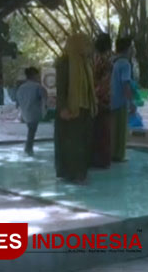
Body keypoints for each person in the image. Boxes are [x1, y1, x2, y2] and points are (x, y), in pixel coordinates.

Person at [54, 33, 97, 184]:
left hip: (84, 109)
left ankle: (80, 172)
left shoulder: (85, 63)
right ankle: (73, 173)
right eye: (85, 44)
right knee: (72, 143)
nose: (88, 47)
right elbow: (61, 88)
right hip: (70, 110)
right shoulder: (64, 62)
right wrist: (63, 108)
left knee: (83, 143)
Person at [110, 37, 135, 163]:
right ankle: (118, 155)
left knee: (112, 128)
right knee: (120, 129)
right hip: (120, 100)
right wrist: (131, 102)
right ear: (128, 48)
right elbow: (126, 84)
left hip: (110, 99)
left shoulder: (112, 61)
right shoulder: (125, 63)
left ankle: (111, 152)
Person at [91, 33, 112, 168]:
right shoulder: (105, 60)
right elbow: (104, 82)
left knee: (92, 129)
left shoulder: (90, 58)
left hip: (89, 97)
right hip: (102, 98)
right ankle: (101, 161)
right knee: (102, 131)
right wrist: (102, 98)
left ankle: (91, 159)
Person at [16, 67, 48, 156]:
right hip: (34, 113)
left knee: (31, 130)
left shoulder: (21, 88)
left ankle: (28, 149)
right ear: (34, 75)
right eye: (37, 75)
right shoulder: (38, 87)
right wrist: (44, 111)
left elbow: (18, 102)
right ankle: (28, 149)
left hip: (25, 113)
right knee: (32, 131)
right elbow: (44, 99)